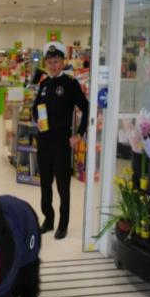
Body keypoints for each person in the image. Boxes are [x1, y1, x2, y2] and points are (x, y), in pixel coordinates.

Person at [32, 41, 89, 240]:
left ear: (63, 61)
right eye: (49, 61)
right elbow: (35, 108)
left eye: (56, 61)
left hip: (62, 143)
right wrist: (36, 120)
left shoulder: (70, 84)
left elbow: (86, 107)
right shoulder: (44, 84)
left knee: (63, 186)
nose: (53, 65)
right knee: (45, 184)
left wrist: (79, 134)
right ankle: (48, 219)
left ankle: (63, 224)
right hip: (44, 141)